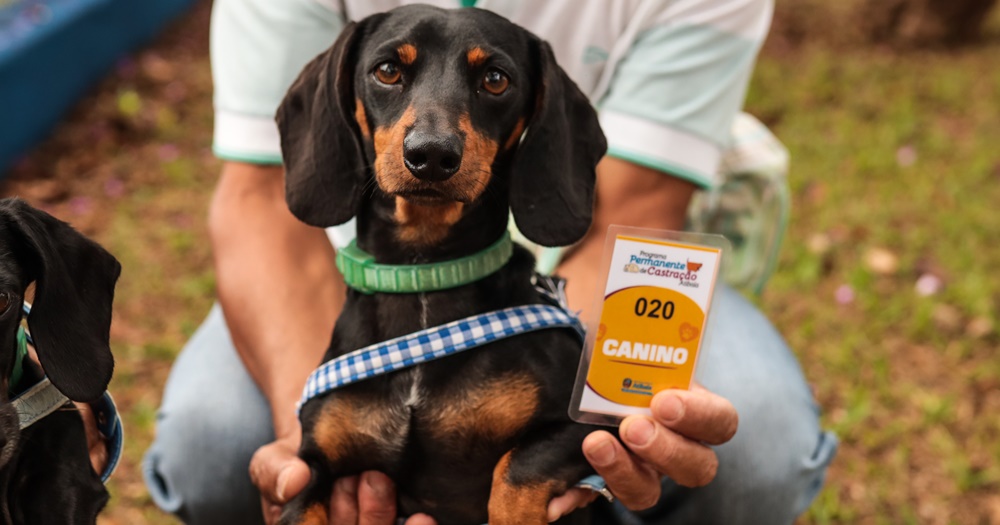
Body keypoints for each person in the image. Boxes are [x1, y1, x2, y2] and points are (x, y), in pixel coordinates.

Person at [143, 1, 838, 524]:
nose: (433, 138)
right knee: (209, 446)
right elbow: (258, 196)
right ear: (353, 98)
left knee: (762, 451)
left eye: (493, 83)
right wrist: (314, 435)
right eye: (391, 72)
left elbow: (634, 210)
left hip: (571, 272)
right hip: (327, 277)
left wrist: (608, 416)